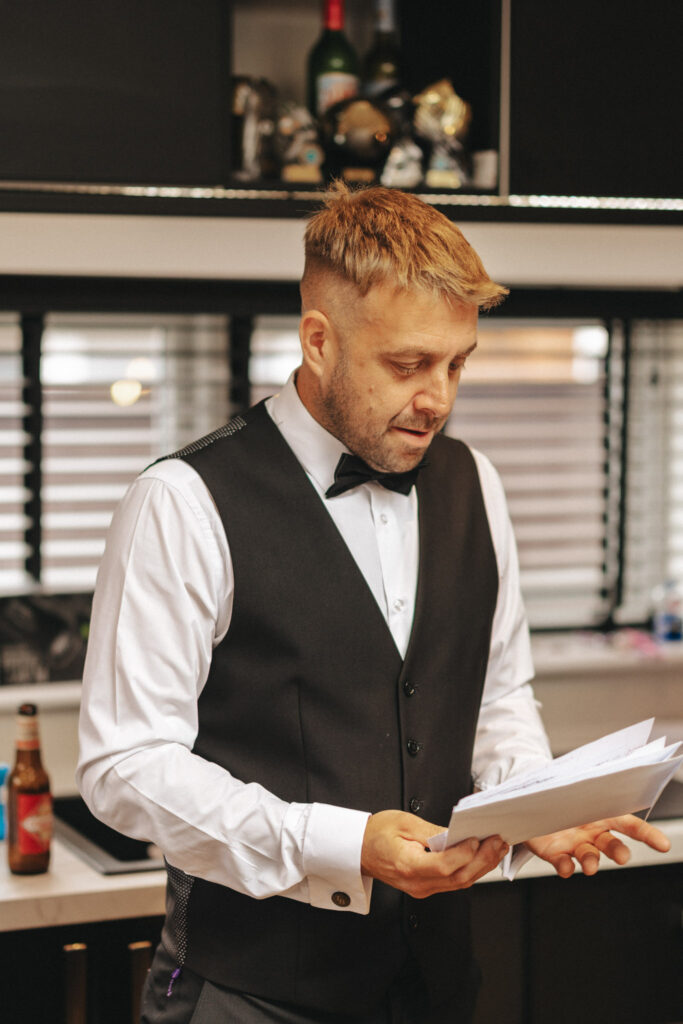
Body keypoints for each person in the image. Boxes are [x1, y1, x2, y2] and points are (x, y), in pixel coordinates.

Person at [77, 183, 670, 1024]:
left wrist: (535, 803)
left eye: (457, 363)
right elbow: (123, 767)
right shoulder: (182, 501)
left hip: (435, 984)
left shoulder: (475, 483)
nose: (439, 397)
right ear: (318, 341)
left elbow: (496, 699)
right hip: (247, 994)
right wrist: (342, 845)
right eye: (407, 364)